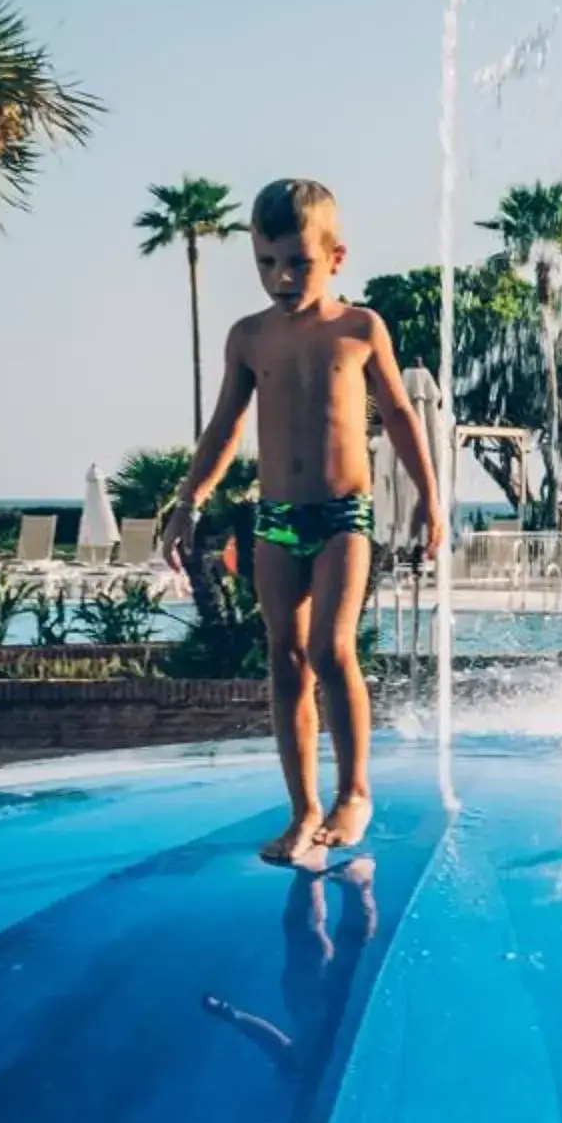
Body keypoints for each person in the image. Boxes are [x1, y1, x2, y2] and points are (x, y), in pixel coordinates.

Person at [162, 178, 443, 863]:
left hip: (346, 516)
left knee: (330, 650)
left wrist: (431, 497)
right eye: (266, 262)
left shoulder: (359, 328)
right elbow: (226, 425)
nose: (281, 278)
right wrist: (189, 498)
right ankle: (303, 811)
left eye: (298, 263)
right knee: (284, 662)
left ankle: (353, 793)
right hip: (276, 519)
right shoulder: (250, 338)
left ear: (335, 258)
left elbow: (402, 416)